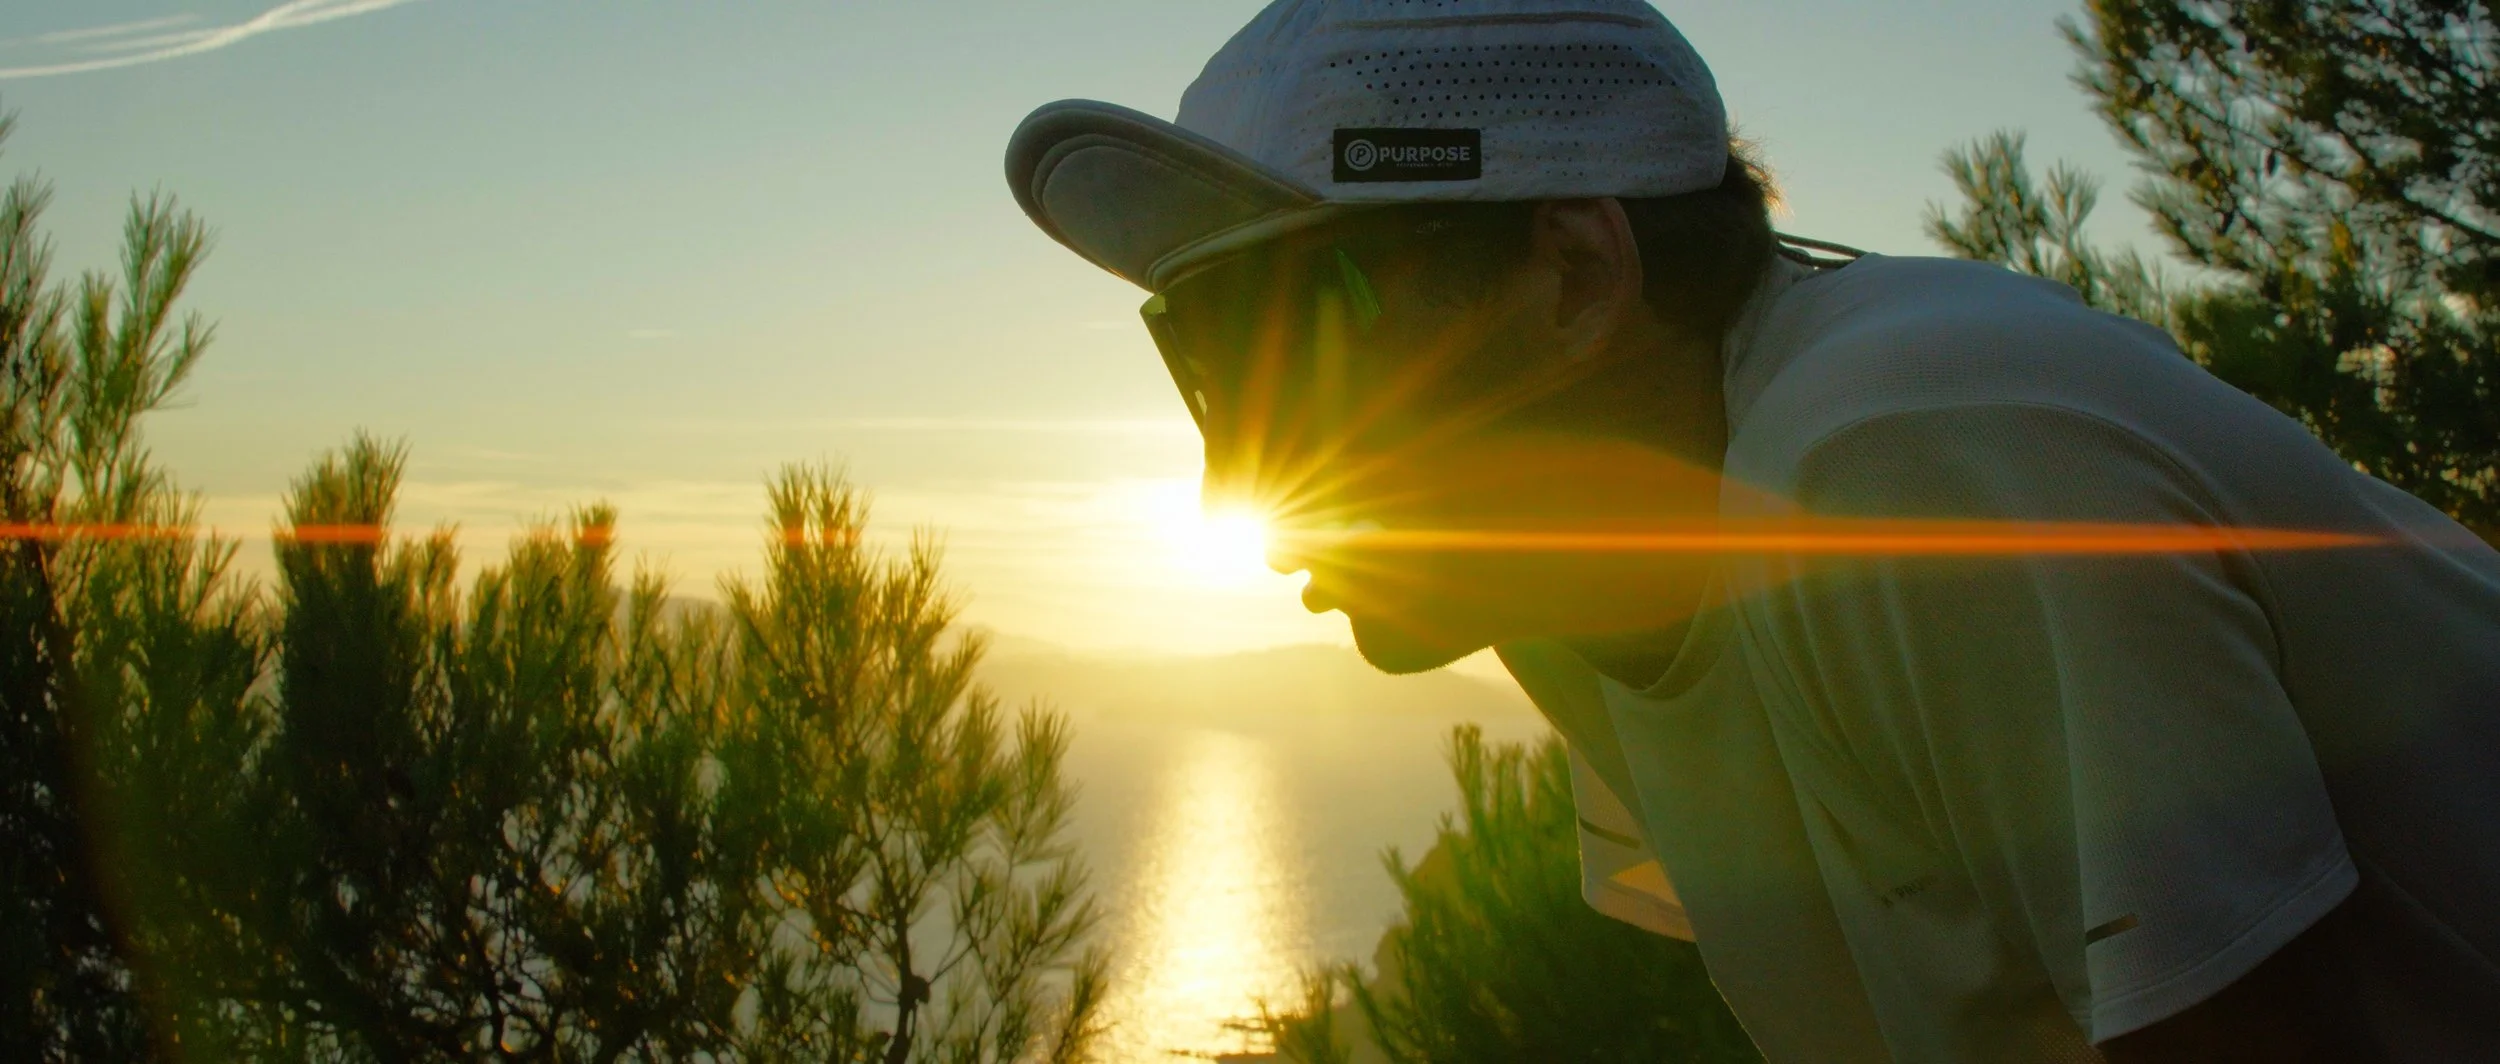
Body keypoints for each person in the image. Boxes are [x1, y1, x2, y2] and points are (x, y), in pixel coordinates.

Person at [1003, 1, 2500, 1060]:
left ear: (1576, 276)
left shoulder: (1896, 453)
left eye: (1305, 334)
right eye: (1204, 353)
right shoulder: (1589, 593)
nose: (1240, 480)